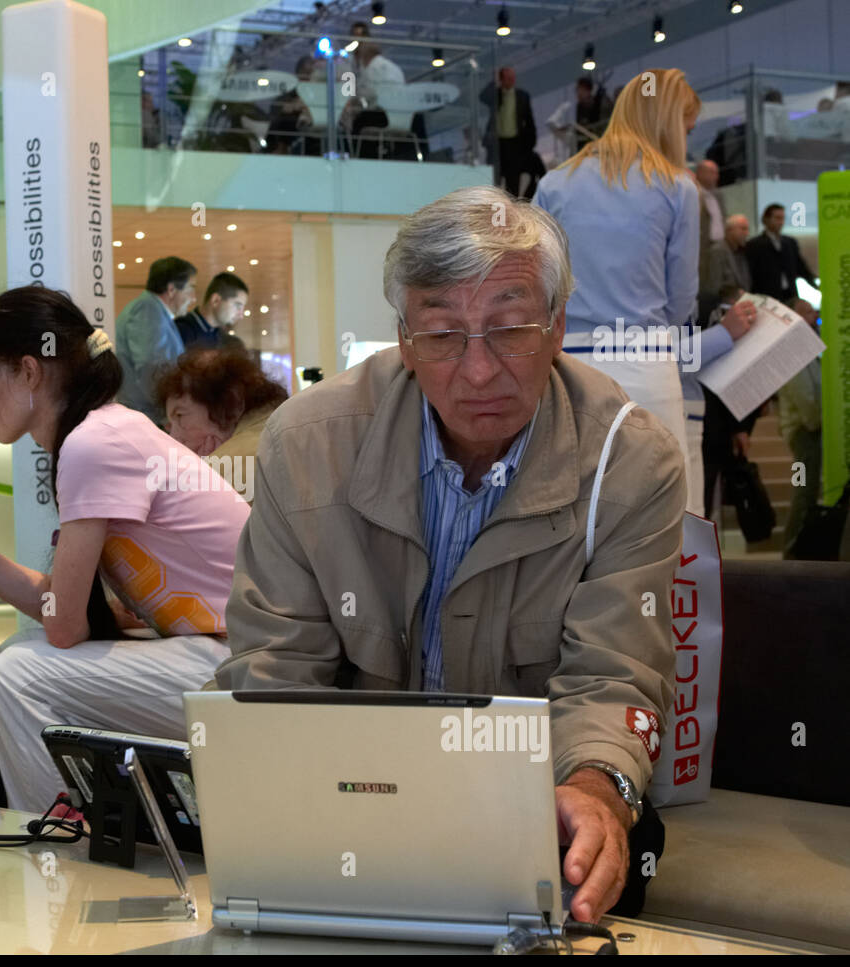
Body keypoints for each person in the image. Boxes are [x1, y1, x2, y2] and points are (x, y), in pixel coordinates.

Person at [215, 186, 685, 924]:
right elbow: (275, 668)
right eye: (442, 335)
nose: (478, 372)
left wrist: (596, 788)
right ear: (403, 341)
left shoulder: (630, 461)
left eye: (511, 329)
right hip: (358, 788)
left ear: (558, 327)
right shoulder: (309, 445)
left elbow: (615, 673)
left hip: (535, 791)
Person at [0, 287, 249, 813]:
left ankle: (58, 851)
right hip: (234, 657)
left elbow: (62, 626)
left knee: (18, 673)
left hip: (244, 665)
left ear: (28, 372)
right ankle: (78, 830)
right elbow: (66, 610)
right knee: (19, 656)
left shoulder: (93, 442)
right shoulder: (105, 430)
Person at [535, 67, 702, 469]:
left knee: (567, 507)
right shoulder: (678, 187)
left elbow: (538, 286)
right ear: (669, 122)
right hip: (645, 364)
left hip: (568, 370)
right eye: (688, 128)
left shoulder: (555, 184)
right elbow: (681, 300)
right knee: (662, 511)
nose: (687, 138)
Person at [157, 346, 288, 500]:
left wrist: (202, 473)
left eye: (180, 415)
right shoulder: (284, 423)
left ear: (229, 402)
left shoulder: (228, 467)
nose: (174, 437)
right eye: (171, 425)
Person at [680, 290, 757, 516]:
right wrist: (724, 333)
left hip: (716, 430)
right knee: (694, 500)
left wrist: (740, 429)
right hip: (696, 420)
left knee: (702, 502)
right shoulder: (705, 324)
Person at [115, 256, 196, 425]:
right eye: (190, 288)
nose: (193, 298)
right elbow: (150, 367)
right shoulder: (147, 310)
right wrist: (169, 414)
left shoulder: (154, 311)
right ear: (172, 289)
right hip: (147, 419)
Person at [778, 301, 823, 558]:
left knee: (807, 492)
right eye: (807, 312)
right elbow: (804, 396)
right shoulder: (791, 349)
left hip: (809, 430)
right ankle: (792, 552)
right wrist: (815, 422)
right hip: (804, 434)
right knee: (803, 492)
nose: (814, 316)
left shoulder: (808, 347)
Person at [480, 66, 538, 197]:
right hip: (498, 144)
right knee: (495, 180)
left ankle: (511, 208)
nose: (511, 81)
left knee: (513, 180)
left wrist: (530, 143)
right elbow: (482, 96)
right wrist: (494, 82)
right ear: (501, 80)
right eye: (507, 78)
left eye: (512, 78)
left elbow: (529, 120)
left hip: (515, 143)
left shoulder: (522, 96)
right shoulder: (496, 94)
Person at [745, 204, 817, 301]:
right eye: (777, 218)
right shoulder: (754, 245)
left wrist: (815, 285)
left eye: (782, 218)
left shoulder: (789, 243)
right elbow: (750, 274)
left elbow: (801, 268)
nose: (781, 222)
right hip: (766, 296)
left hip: (790, 294)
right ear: (766, 220)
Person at [175, 272, 248, 350]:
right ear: (215, 300)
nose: (241, 315)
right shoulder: (181, 331)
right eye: (237, 306)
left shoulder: (221, 338)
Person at [701, 214, 751, 313]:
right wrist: (734, 293)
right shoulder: (718, 251)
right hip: (723, 311)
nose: (747, 233)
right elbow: (713, 287)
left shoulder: (740, 252)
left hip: (740, 307)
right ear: (729, 230)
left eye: (747, 229)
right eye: (743, 229)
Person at [694, 160, 726, 280]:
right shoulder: (692, 193)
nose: (716, 176)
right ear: (700, 173)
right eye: (712, 172)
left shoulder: (718, 195)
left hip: (720, 246)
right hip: (702, 248)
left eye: (717, 173)